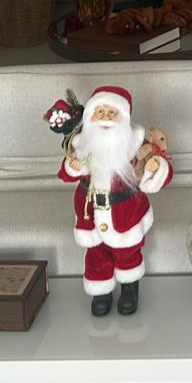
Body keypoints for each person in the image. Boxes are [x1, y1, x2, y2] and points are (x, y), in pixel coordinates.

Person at [56, 86, 172, 315]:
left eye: (112, 113)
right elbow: (65, 174)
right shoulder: (81, 144)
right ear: (90, 115)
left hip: (125, 213)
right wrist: (73, 166)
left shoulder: (135, 145)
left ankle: (129, 289)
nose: (105, 118)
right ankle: (101, 293)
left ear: (124, 117)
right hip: (91, 214)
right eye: (100, 112)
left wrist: (154, 167)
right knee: (96, 256)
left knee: (128, 254)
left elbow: (160, 176)